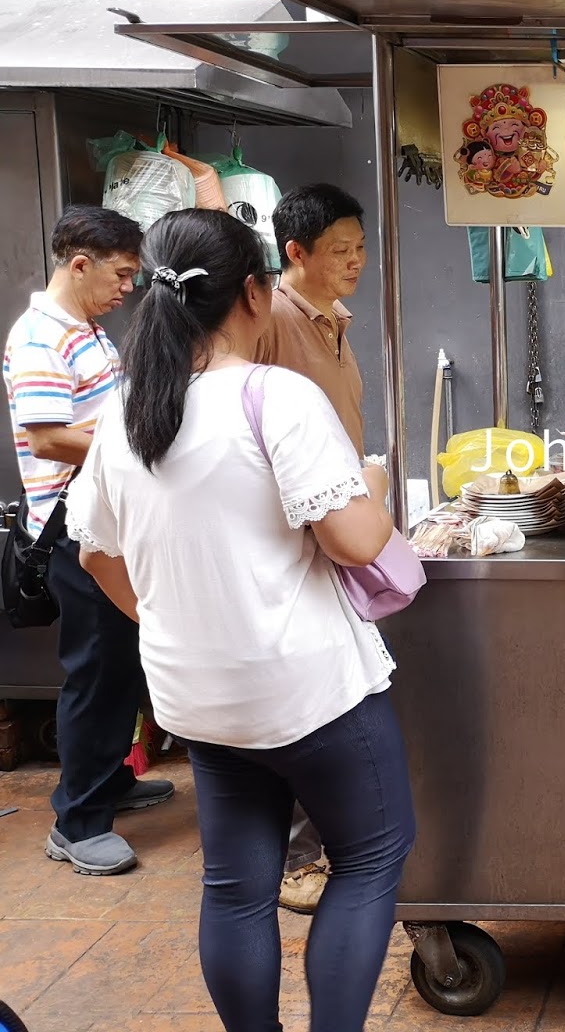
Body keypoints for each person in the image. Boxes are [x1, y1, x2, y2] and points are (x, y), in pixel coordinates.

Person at [68, 208, 414, 1032]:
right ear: (254, 294)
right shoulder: (273, 397)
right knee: (369, 859)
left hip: (199, 697)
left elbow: (96, 555)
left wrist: (164, 622)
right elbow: (356, 539)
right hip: (308, 691)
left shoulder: (125, 415)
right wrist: (373, 483)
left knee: (234, 888)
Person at [3, 206, 172, 878]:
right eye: (122, 273)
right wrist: (140, 442)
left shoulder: (86, 329)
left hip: (105, 518)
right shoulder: (41, 336)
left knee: (122, 662)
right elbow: (46, 436)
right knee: (96, 670)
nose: (128, 286)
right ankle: (76, 822)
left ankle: (108, 782)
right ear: (80, 264)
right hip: (73, 527)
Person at [253, 183, 368, 912]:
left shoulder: (336, 318)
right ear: (295, 253)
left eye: (362, 248)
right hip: (289, 541)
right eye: (341, 251)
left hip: (335, 530)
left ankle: (317, 845)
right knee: (304, 704)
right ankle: (296, 861)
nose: (357, 261)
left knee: (333, 694)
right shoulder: (269, 321)